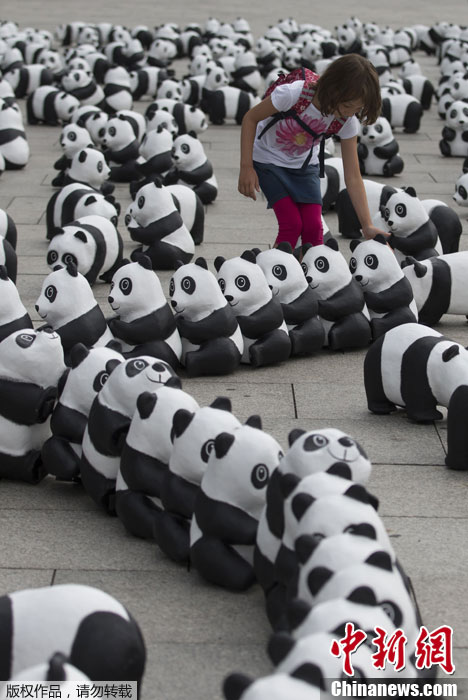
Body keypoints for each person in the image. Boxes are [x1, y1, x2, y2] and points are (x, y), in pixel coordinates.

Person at [238, 53, 389, 249]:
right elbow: (250, 118)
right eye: (347, 105)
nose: (350, 112)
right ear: (333, 88)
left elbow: (353, 177)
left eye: (357, 108)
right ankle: (274, 276)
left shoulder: (347, 121)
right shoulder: (294, 94)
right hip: (267, 161)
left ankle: (311, 277)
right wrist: (246, 166)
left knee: (313, 228)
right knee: (292, 225)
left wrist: (367, 226)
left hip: (305, 166)